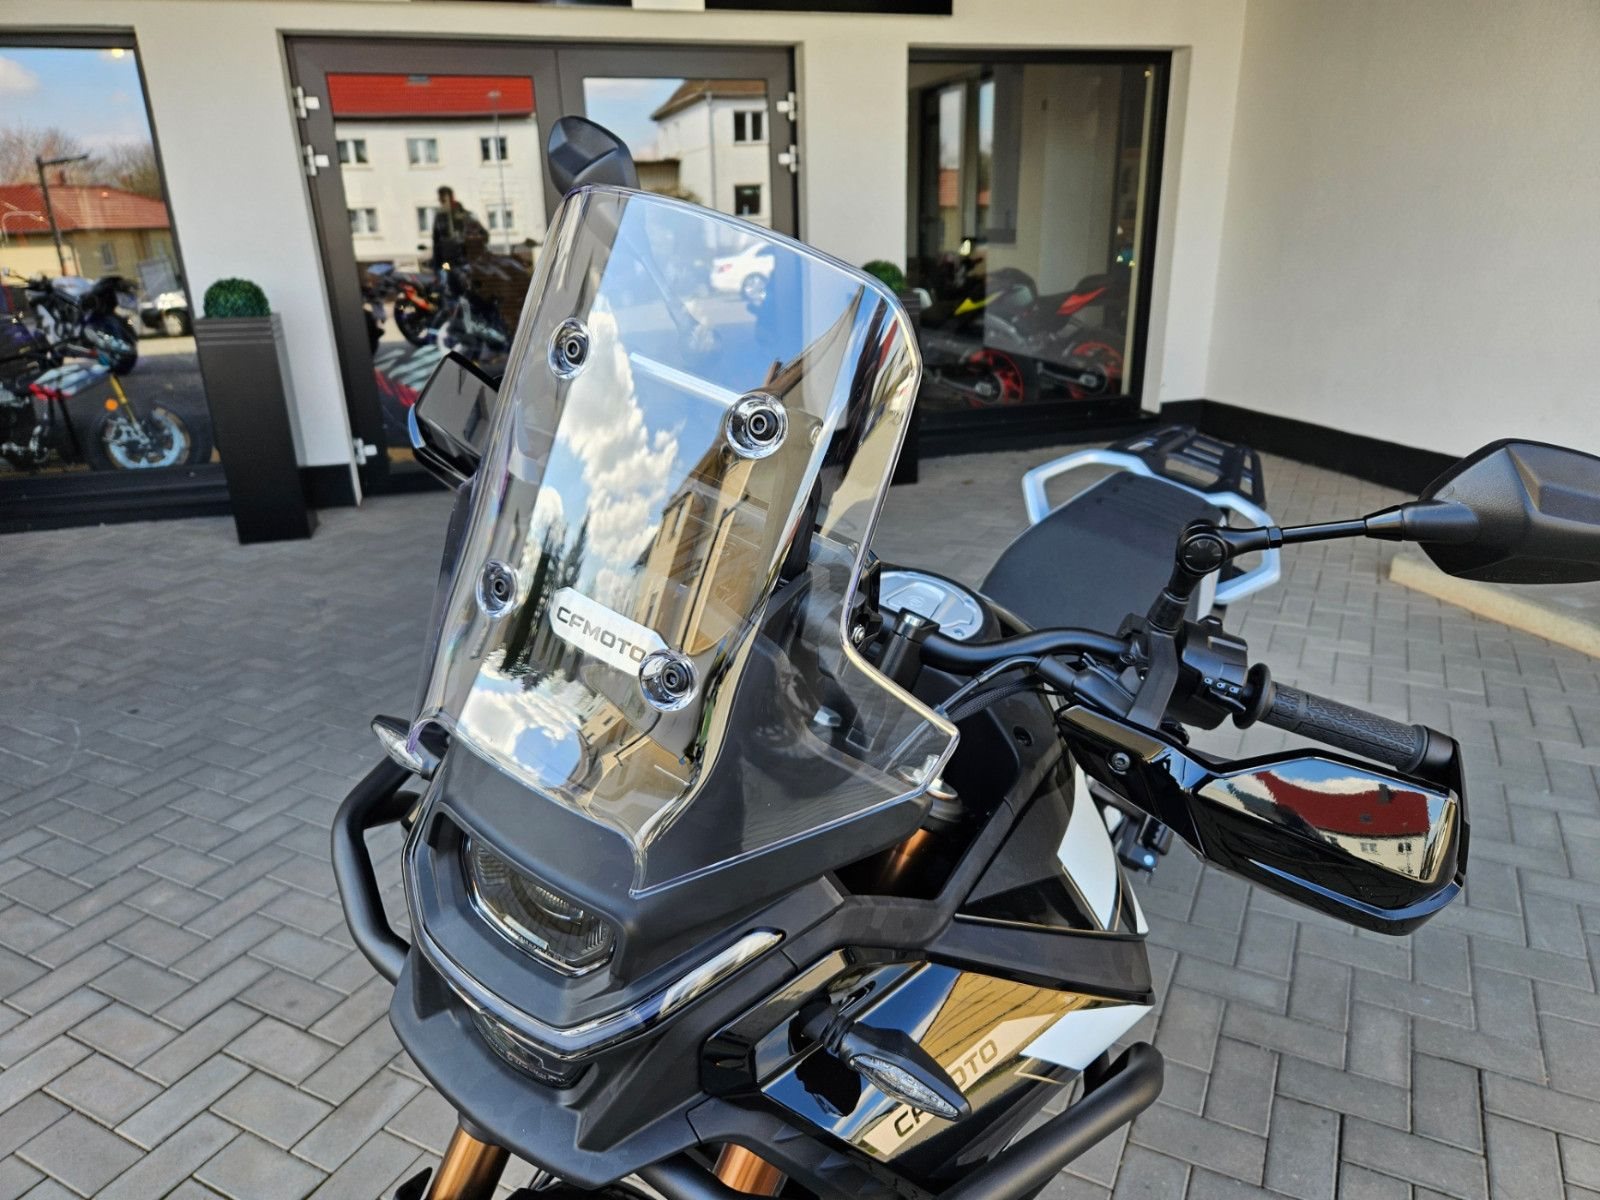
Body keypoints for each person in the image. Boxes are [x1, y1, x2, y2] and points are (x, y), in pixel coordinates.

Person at [430, 186, 475, 270]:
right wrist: (437, 264)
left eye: (444, 198)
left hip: (463, 259)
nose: (441, 201)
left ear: (451, 197)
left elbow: (479, 234)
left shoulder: (465, 215)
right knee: (446, 274)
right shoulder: (440, 217)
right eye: (441, 199)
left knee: (461, 275)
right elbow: (436, 240)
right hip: (446, 259)